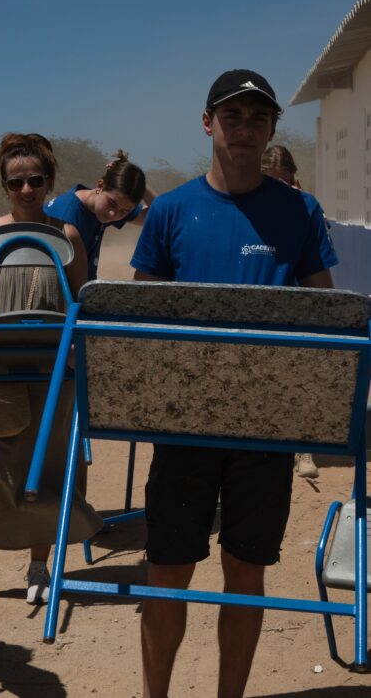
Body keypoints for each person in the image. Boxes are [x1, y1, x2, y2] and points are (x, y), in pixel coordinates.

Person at [132, 70, 337, 698]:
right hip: (184, 429)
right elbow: (138, 318)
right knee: (168, 573)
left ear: (271, 129)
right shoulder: (170, 210)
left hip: (265, 434)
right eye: (232, 116)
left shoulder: (300, 211)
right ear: (207, 123)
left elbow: (325, 314)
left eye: (257, 118)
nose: (244, 129)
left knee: (246, 574)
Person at [0, 133, 101, 610]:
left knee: (52, 466)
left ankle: (40, 566)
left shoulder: (67, 236)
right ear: (4, 186)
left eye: (35, 181)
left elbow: (82, 303)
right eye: (16, 182)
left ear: (48, 182)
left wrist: (77, 346)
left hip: (57, 371)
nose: (26, 190)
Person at [260, 144, 335, 481]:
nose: (279, 187)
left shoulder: (306, 209)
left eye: (285, 181)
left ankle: (302, 448)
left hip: (298, 307)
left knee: (300, 379)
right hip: (263, 308)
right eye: (271, 180)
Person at [44, 149, 155, 281]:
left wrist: (137, 182)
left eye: (124, 211)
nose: (113, 214)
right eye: (112, 203)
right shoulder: (66, 216)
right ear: (100, 185)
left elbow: (158, 215)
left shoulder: (102, 208)